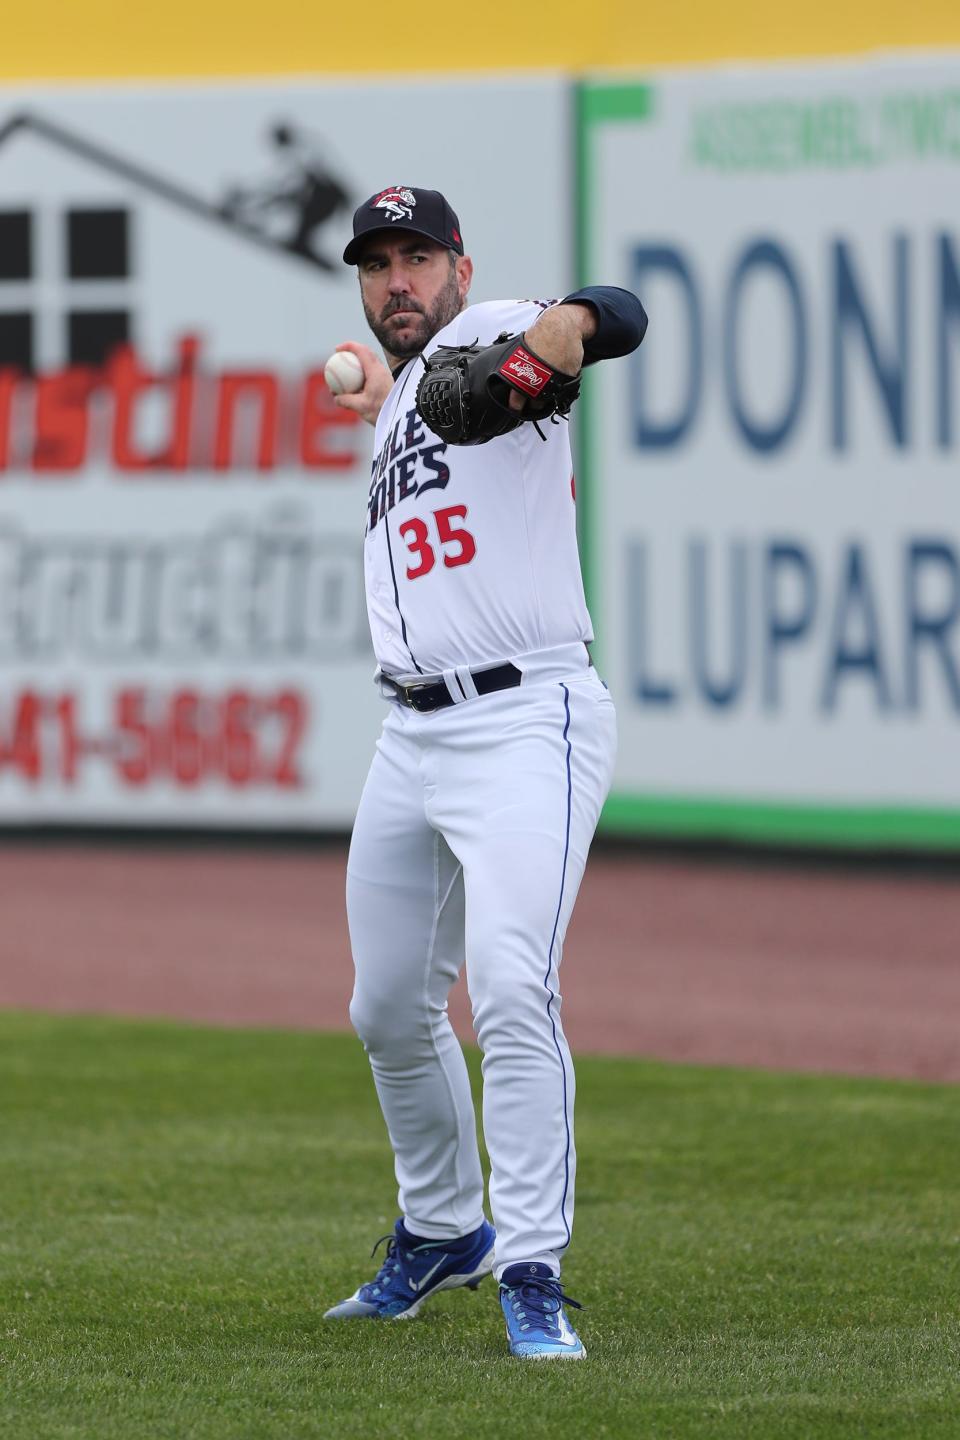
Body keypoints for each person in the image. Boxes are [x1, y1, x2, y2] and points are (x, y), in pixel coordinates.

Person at [323, 186, 647, 1359]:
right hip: (409, 736)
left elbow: (615, 313)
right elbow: (398, 393)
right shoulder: (406, 388)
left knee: (512, 990)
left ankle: (530, 1264)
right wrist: (373, 388)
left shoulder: (495, 327)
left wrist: (552, 340)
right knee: (386, 1005)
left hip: (527, 719)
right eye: (377, 262)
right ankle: (441, 1225)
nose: (396, 279)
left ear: (460, 266)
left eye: (416, 257)